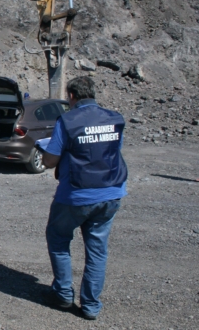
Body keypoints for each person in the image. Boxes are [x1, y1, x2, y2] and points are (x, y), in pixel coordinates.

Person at [41, 76, 128, 320]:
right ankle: (90, 306)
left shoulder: (67, 121)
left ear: (71, 96)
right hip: (111, 191)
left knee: (58, 237)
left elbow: (49, 161)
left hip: (76, 194)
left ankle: (63, 293)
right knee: (97, 251)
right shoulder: (115, 118)